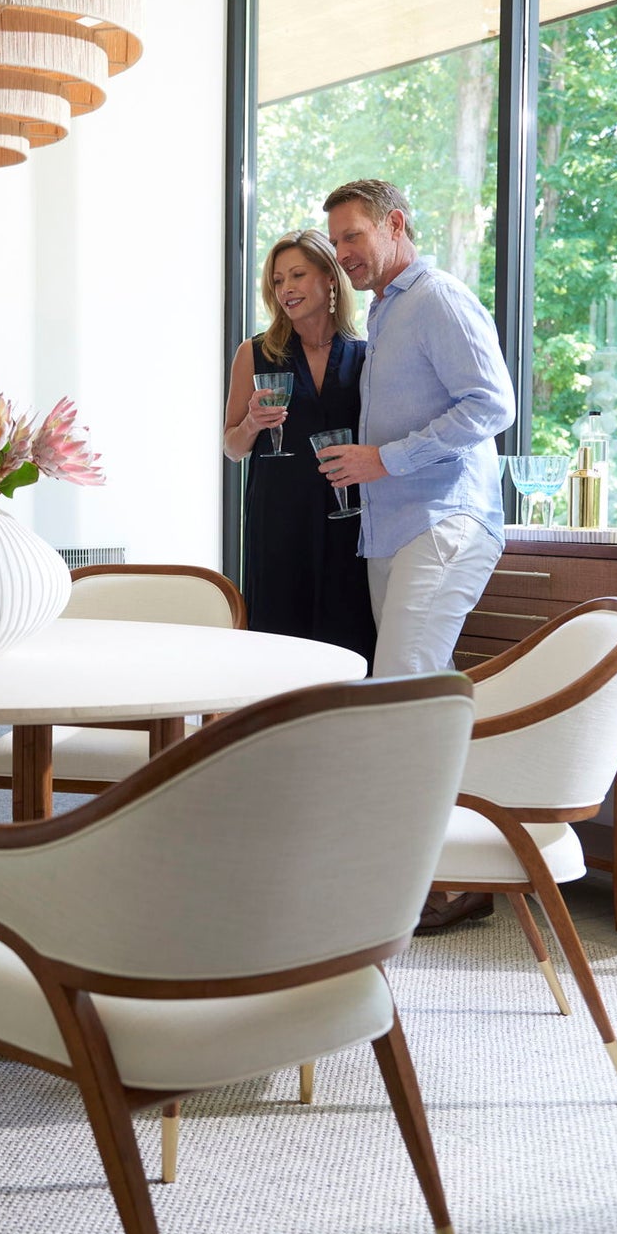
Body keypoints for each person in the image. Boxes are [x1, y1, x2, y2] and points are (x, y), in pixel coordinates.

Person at [316, 178, 515, 933]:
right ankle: (447, 871)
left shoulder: (437, 299)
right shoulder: (385, 310)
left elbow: (493, 403)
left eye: (354, 236)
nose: (343, 253)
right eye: (336, 241)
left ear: (395, 224)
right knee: (416, 696)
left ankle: (415, 881)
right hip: (393, 528)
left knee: (402, 694)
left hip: (445, 520)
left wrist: (386, 459)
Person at [224, 228, 376, 664]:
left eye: (297, 275)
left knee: (346, 644)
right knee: (277, 645)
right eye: (277, 280)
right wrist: (252, 422)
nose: (286, 289)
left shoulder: (365, 355)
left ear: (330, 277)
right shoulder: (255, 353)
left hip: (346, 520)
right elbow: (232, 447)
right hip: (277, 522)